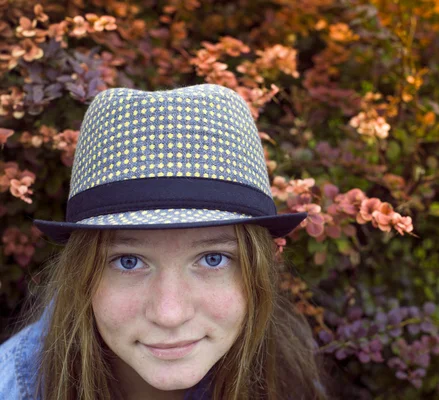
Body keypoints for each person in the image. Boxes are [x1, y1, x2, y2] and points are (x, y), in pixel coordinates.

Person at [0, 84, 327, 400]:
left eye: (213, 258)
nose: (169, 314)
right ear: (81, 274)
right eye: (128, 261)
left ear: (258, 270)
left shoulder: (285, 365)